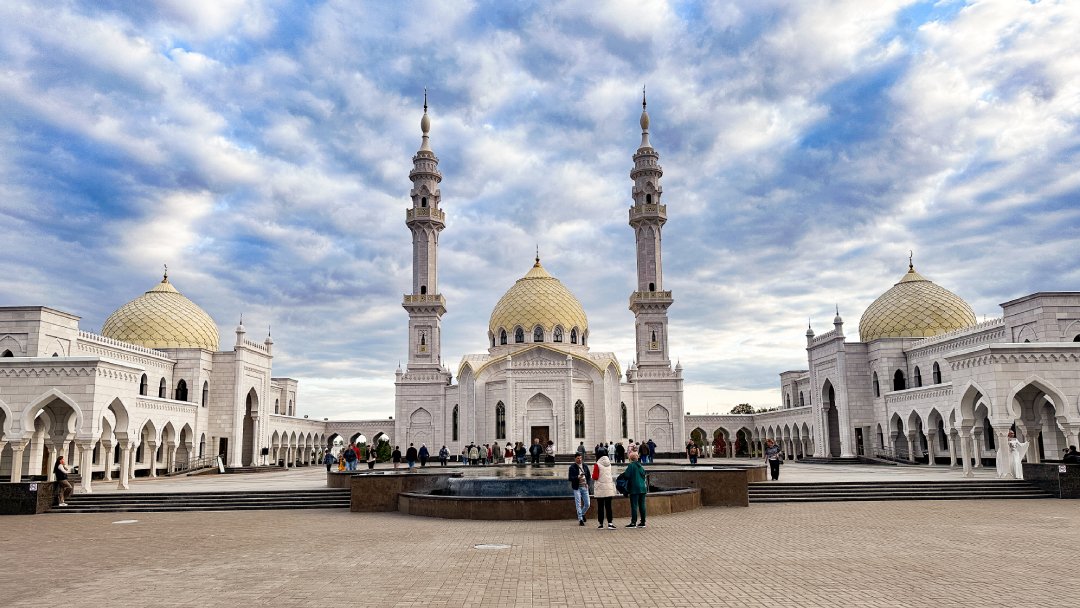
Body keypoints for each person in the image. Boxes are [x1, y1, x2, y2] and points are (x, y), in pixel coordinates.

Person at [593, 452, 617, 529]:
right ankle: (610, 523)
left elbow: (595, 477)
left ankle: (601, 524)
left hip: (600, 488)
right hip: (609, 488)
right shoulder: (609, 464)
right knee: (608, 506)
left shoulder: (597, 465)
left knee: (600, 506)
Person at [624, 452, 647, 528]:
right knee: (642, 505)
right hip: (642, 488)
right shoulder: (640, 466)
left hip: (634, 488)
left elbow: (626, 475)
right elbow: (644, 475)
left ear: (630, 458)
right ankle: (643, 522)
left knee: (634, 506)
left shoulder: (631, 465)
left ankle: (633, 522)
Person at [567, 454, 591, 526]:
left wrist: (588, 484)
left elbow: (589, 476)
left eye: (580, 458)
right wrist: (577, 477)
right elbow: (570, 478)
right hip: (577, 488)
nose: (580, 459)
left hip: (585, 487)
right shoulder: (572, 467)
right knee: (578, 504)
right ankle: (580, 519)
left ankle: (582, 514)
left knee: (587, 504)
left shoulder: (585, 466)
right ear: (575, 459)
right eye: (578, 458)